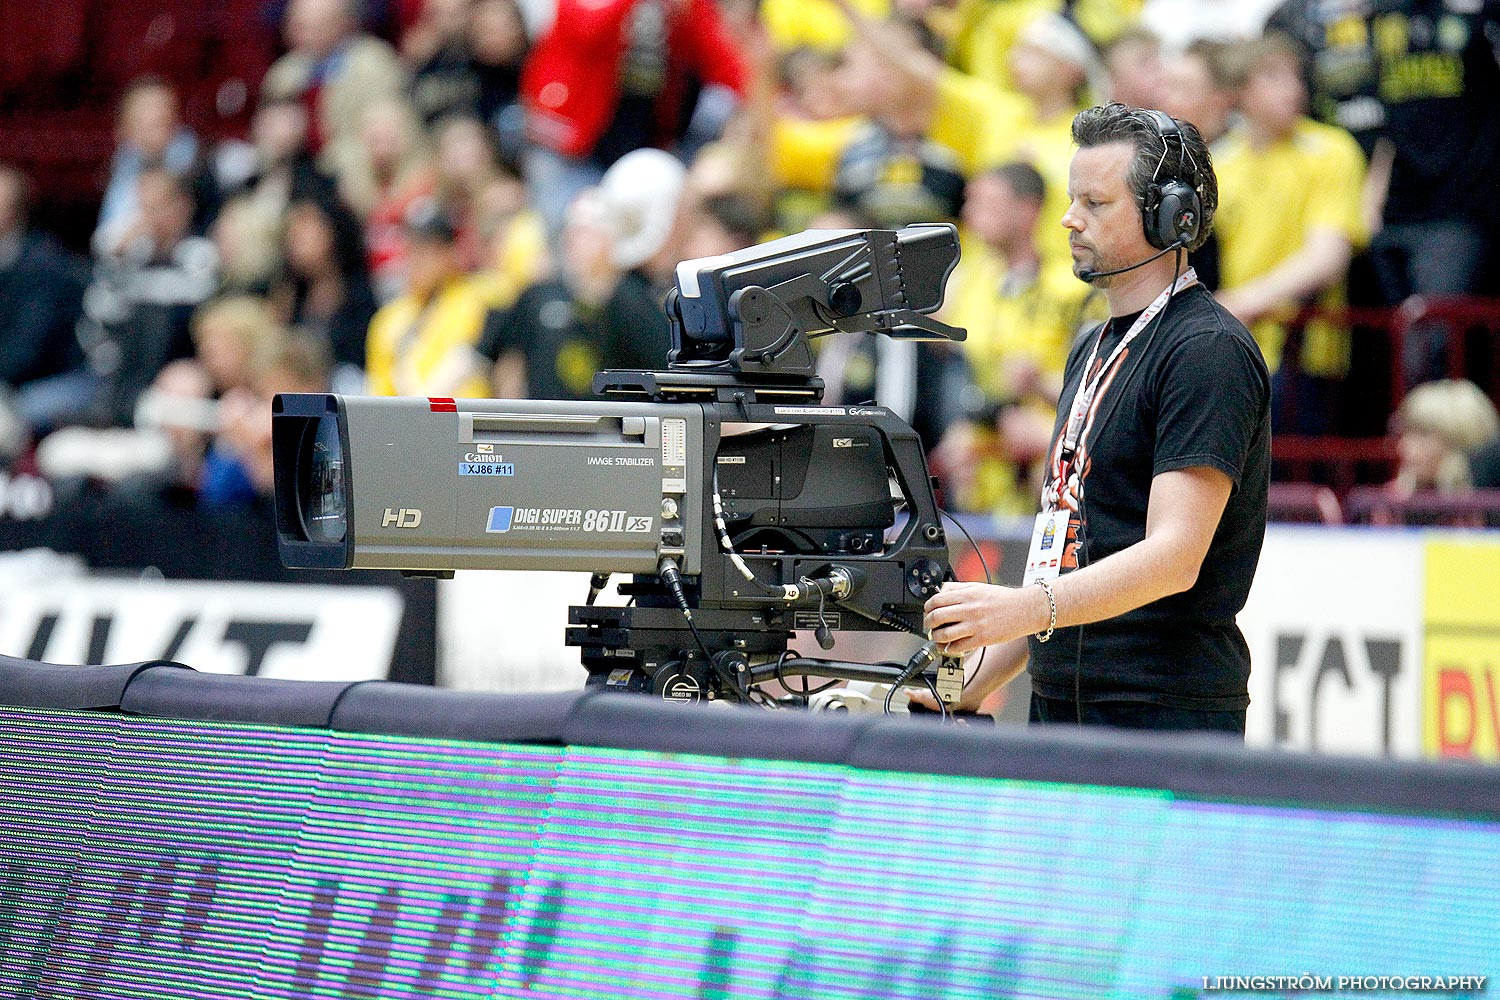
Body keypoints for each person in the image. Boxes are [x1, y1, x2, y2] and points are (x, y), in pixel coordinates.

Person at [920, 103, 1271, 736]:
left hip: (1160, 710)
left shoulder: (1207, 351)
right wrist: (966, 690)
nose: (1068, 218)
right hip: (1063, 704)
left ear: (1172, 219)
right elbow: (1063, 556)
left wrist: (1022, 607)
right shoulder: (1092, 345)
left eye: (1096, 203)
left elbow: (1174, 558)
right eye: (1070, 198)